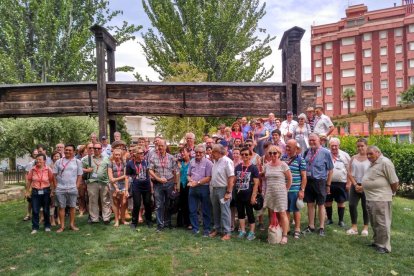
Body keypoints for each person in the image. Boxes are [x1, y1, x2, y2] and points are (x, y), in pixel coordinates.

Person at [362, 146, 399, 254]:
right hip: (371, 197)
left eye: (371, 154)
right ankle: (377, 242)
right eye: (367, 154)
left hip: (381, 198)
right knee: (374, 221)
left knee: (382, 222)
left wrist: (391, 193)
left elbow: (394, 181)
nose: (368, 156)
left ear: (378, 153)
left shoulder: (385, 163)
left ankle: (384, 246)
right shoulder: (373, 163)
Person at [302, 133, 333, 237]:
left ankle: (321, 227)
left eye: (313, 140)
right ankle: (311, 226)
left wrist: (328, 185)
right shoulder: (307, 151)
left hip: (320, 181)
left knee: (321, 204)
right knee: (310, 204)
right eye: (310, 140)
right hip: (308, 181)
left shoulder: (326, 152)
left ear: (319, 140)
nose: (311, 142)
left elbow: (330, 169)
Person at [262, 145, 292, 244]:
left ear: (279, 154)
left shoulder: (283, 165)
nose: (272, 155)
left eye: (275, 153)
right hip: (270, 192)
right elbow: (263, 176)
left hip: (281, 192)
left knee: (282, 213)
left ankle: (284, 236)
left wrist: (286, 189)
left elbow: (289, 179)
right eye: (270, 153)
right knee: (271, 213)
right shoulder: (266, 165)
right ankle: (273, 232)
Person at [149, 139, 179, 232]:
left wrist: (175, 184)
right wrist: (157, 178)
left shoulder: (171, 158)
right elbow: (150, 170)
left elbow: (176, 171)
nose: (160, 147)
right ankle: (159, 224)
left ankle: (167, 222)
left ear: (166, 147)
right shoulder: (153, 157)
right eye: (159, 146)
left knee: (168, 204)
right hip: (158, 184)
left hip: (169, 183)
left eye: (162, 146)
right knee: (158, 205)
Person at [53, 144, 83, 233]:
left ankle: (72, 225)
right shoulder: (58, 161)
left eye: (70, 150)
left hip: (72, 188)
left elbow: (79, 175)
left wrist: (76, 186)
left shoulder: (77, 162)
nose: (67, 151)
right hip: (60, 188)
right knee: (61, 207)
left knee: (72, 207)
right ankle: (62, 226)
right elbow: (54, 175)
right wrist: (56, 186)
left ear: (74, 152)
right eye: (66, 150)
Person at [209, 144, 235, 241]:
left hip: (223, 189)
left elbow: (231, 177)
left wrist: (228, 192)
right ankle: (217, 229)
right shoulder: (215, 161)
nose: (212, 154)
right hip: (214, 189)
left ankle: (227, 232)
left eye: (213, 152)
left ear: (219, 152)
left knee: (225, 211)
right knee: (215, 210)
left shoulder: (227, 161)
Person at [282, 140, 307, 239]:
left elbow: (304, 176)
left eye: (289, 147)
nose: (287, 148)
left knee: (296, 210)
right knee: (286, 210)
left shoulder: (301, 160)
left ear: (296, 149)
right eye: (286, 146)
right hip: (284, 189)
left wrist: (302, 190)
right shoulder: (283, 158)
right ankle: (286, 228)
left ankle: (297, 229)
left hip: (295, 189)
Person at [187, 144, 213, 236]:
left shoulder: (208, 163)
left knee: (205, 210)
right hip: (192, 188)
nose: (198, 154)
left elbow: (209, 177)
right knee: (192, 209)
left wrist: (197, 183)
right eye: (196, 152)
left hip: (204, 188)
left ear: (204, 153)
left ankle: (206, 229)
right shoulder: (191, 161)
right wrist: (190, 180)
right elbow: (188, 174)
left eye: (200, 152)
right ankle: (195, 228)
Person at [234, 147, 260, 241]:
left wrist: (253, 196)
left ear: (250, 155)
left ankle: (252, 232)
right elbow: (234, 180)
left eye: (246, 154)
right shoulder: (237, 167)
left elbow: (256, 183)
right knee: (240, 213)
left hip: (248, 195)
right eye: (242, 154)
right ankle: (243, 231)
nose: (244, 156)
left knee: (250, 214)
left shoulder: (253, 168)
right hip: (239, 194)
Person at [347, 138, 370, 236]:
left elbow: (373, 174)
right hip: (355, 185)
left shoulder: (370, 158)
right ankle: (354, 227)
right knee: (352, 205)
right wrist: (355, 184)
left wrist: (363, 186)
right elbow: (349, 172)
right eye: (358, 146)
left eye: (362, 146)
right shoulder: (353, 158)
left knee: (365, 207)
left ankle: (365, 228)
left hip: (367, 186)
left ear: (366, 146)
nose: (360, 148)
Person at [83, 142, 111, 224]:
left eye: (98, 148)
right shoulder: (87, 158)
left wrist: (109, 182)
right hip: (92, 182)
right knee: (93, 201)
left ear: (101, 149)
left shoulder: (106, 158)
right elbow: (79, 169)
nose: (96, 150)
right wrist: (86, 170)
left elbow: (109, 170)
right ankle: (94, 218)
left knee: (105, 200)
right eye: (94, 148)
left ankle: (106, 218)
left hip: (104, 182)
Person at [26, 153, 55, 234]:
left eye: (40, 160)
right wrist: (27, 191)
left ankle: (47, 226)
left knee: (46, 210)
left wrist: (52, 191)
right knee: (35, 210)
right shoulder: (32, 169)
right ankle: (35, 227)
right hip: (35, 191)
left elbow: (52, 181)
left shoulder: (48, 169)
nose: (38, 161)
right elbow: (29, 181)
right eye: (37, 159)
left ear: (44, 161)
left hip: (46, 191)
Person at [325, 138, 351, 227]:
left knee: (341, 201)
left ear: (339, 145)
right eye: (332, 146)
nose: (334, 147)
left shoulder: (345, 155)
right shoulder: (326, 154)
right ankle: (329, 219)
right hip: (328, 183)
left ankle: (341, 221)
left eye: (336, 145)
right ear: (329, 146)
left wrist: (349, 183)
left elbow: (349, 170)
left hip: (341, 182)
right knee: (328, 201)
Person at [127, 146, 153, 229]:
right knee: (137, 204)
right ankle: (134, 222)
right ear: (135, 154)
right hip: (136, 187)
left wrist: (151, 187)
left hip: (146, 186)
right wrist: (126, 189)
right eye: (140, 153)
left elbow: (149, 174)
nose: (142, 154)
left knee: (147, 204)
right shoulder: (130, 163)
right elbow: (127, 176)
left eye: (143, 153)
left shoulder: (146, 161)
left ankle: (149, 220)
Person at [108, 148, 129, 227]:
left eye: (119, 155)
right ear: (113, 155)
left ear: (121, 155)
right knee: (115, 203)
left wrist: (116, 179)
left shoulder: (124, 163)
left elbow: (126, 175)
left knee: (123, 203)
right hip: (114, 185)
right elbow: (110, 177)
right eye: (115, 155)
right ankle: (117, 220)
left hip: (123, 184)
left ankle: (123, 220)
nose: (117, 156)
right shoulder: (110, 163)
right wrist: (116, 187)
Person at [177, 147, 191, 229]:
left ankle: (189, 223)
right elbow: (177, 174)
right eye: (181, 152)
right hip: (181, 186)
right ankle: (183, 222)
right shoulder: (180, 163)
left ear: (188, 153)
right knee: (182, 204)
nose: (182, 154)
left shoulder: (192, 163)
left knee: (189, 204)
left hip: (189, 185)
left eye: (184, 152)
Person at [23, 148, 38, 222]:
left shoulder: (44, 162)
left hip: (41, 185)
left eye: (37, 153)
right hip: (32, 185)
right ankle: (28, 214)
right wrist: (27, 186)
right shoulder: (30, 164)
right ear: (32, 155)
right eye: (34, 154)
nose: (36, 155)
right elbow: (26, 175)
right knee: (30, 201)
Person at [49, 151, 62, 226]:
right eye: (55, 156)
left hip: (60, 186)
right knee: (52, 204)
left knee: (60, 204)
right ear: (52, 157)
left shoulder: (62, 165)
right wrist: (52, 189)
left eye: (58, 156)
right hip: (52, 187)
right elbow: (50, 179)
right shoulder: (50, 167)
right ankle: (52, 219)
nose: (56, 157)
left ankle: (59, 218)